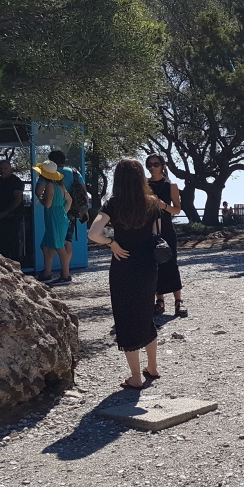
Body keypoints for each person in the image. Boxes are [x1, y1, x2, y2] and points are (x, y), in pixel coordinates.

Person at [87, 159, 163, 390]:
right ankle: (152, 367)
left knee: (127, 318)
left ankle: (135, 377)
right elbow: (156, 234)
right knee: (144, 313)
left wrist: (112, 243)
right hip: (148, 265)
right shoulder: (152, 203)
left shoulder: (113, 204)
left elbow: (93, 233)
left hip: (124, 265)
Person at [145, 154, 187, 317]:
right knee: (154, 265)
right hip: (149, 229)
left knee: (171, 263)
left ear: (162, 166)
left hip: (167, 229)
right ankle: (159, 301)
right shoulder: (145, 185)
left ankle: (178, 301)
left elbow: (177, 209)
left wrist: (163, 205)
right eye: (149, 164)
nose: (152, 167)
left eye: (156, 164)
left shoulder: (172, 186)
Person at [47, 150, 85, 279]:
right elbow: (83, 191)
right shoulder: (74, 172)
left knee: (55, 241)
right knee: (67, 241)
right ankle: (65, 271)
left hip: (57, 211)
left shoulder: (51, 174)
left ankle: (60, 272)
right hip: (72, 211)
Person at [33, 160, 72, 285]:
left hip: (54, 217)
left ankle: (66, 275)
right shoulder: (60, 185)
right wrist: (62, 213)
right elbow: (69, 200)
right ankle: (47, 273)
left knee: (59, 247)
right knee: (46, 245)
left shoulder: (49, 185)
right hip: (59, 216)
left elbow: (48, 203)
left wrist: (40, 198)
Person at [0, 160, 25, 262]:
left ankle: (16, 263)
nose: (3, 171)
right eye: (0, 168)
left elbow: (18, 199)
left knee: (12, 240)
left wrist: (6, 212)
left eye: (5, 168)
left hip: (12, 216)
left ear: (10, 168)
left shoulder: (16, 181)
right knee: (1, 240)